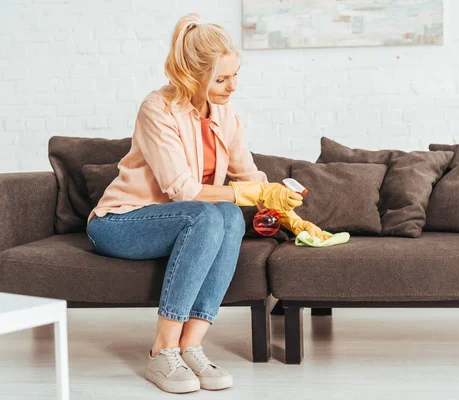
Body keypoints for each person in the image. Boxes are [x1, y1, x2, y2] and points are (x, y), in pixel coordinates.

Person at [85, 13, 331, 394]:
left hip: (188, 221)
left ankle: (191, 344)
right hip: (121, 223)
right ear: (192, 75)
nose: (232, 86)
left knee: (229, 215)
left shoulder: (226, 116)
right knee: (205, 213)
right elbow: (182, 189)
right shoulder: (157, 109)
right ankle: (161, 350)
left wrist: (292, 219)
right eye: (221, 79)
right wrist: (253, 194)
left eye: (235, 75)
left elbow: (250, 178)